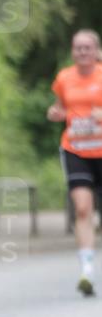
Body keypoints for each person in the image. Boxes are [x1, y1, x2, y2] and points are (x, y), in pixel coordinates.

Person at [48, 28, 102, 297]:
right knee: (82, 209)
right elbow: (60, 108)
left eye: (87, 48)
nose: (82, 52)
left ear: (96, 51)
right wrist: (56, 113)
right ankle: (87, 271)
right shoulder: (64, 78)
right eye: (77, 48)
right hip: (76, 149)